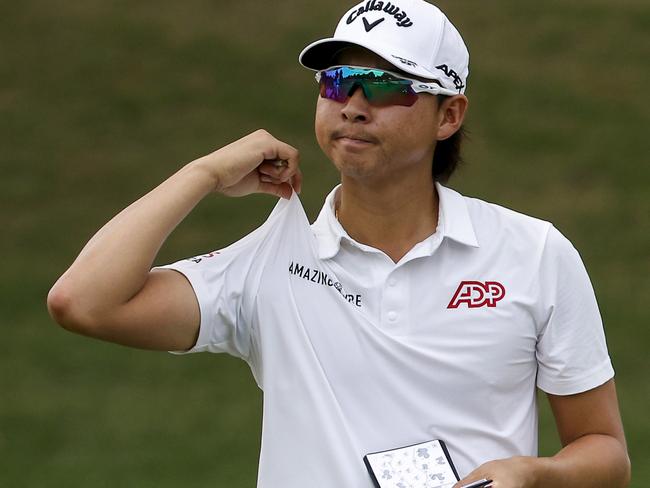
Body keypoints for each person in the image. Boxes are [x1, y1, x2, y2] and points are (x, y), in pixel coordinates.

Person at [47, 0, 631, 486]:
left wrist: (531, 474)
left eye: (383, 86)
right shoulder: (269, 262)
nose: (352, 105)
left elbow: (605, 451)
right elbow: (83, 302)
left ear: (448, 114)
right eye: (337, 81)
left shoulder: (535, 254)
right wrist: (202, 173)